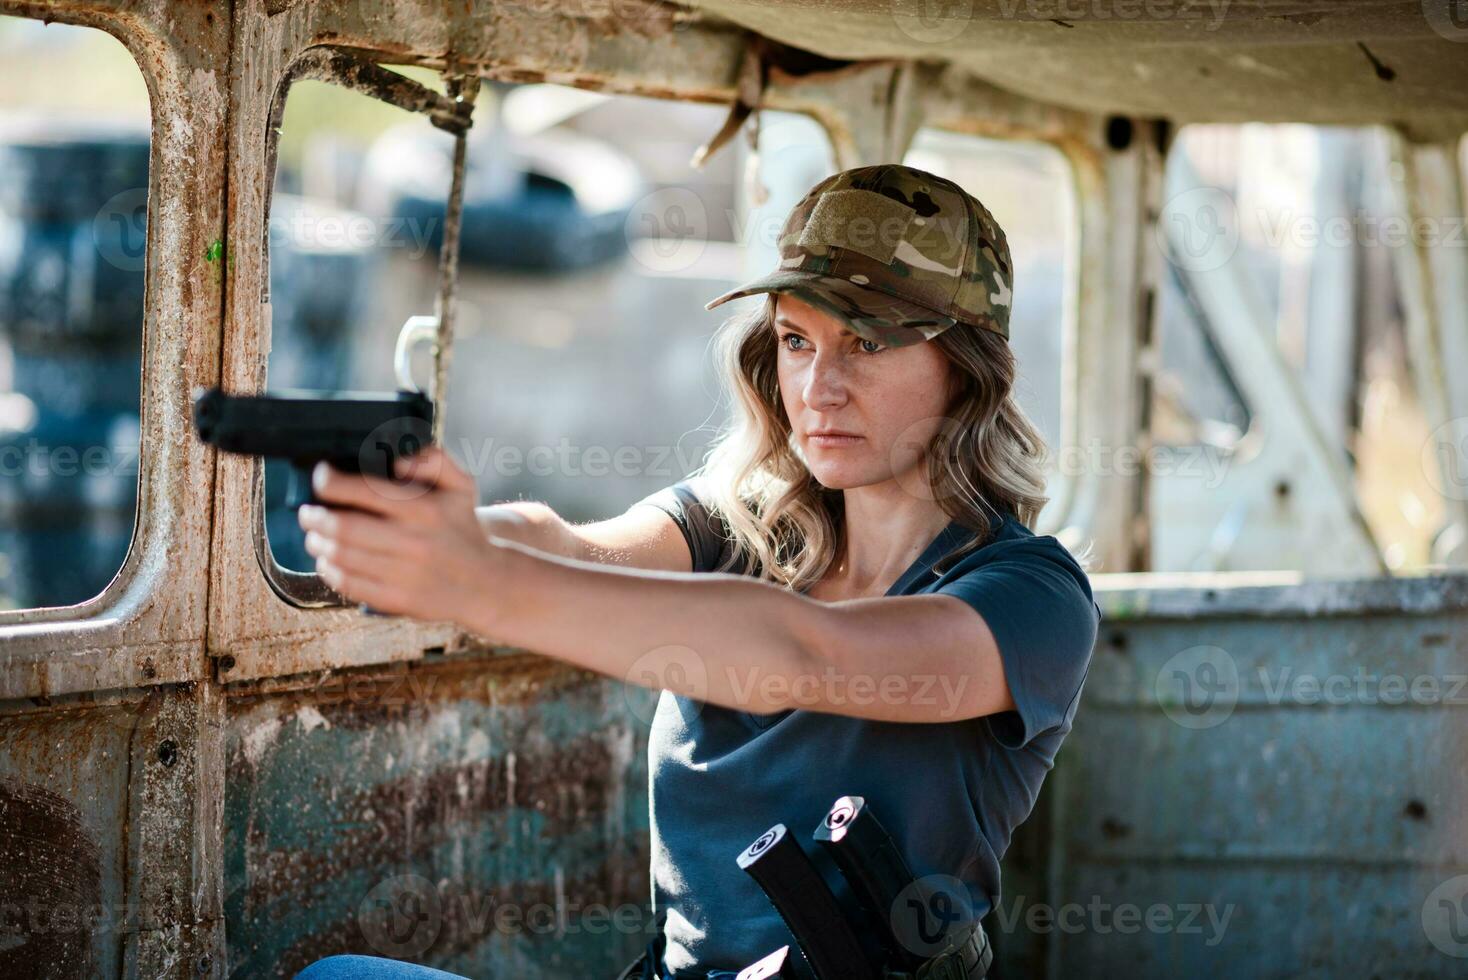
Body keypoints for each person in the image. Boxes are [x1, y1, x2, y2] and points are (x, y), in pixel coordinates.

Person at [292, 164, 1100, 980]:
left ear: (964, 368)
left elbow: (802, 656)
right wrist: (448, 531)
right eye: (796, 340)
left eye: (868, 342)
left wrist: (479, 580)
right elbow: (571, 546)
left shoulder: (1029, 600)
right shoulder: (738, 525)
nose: (820, 387)